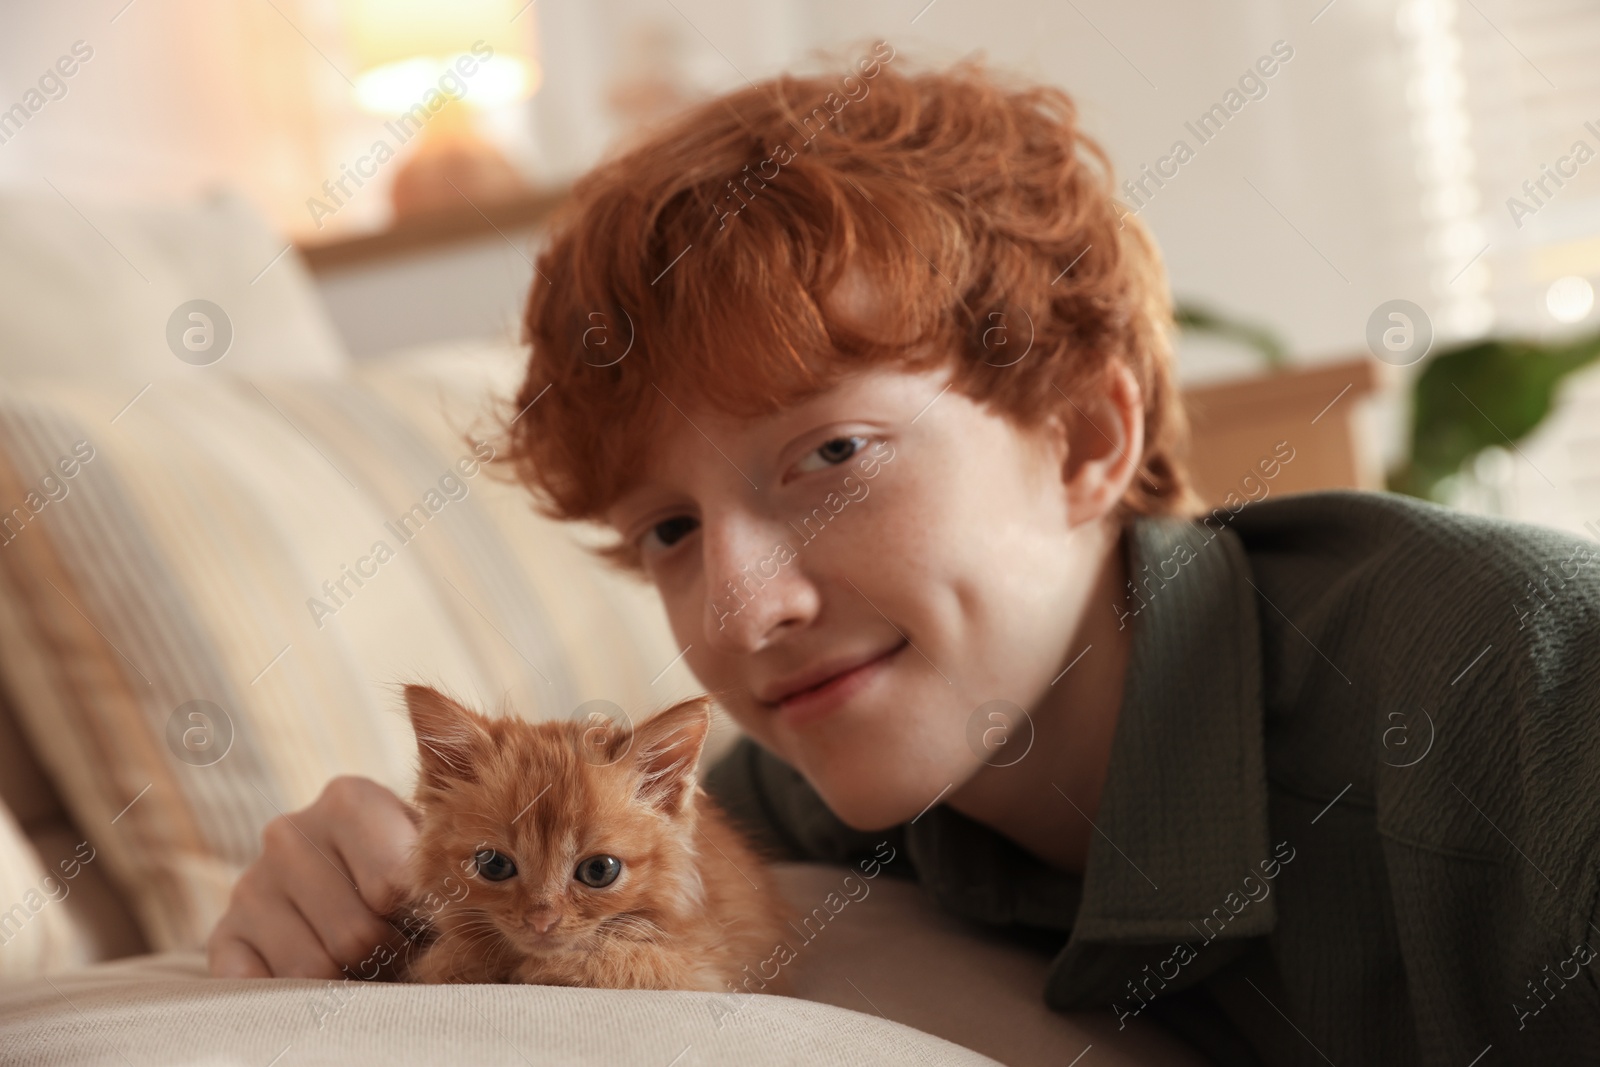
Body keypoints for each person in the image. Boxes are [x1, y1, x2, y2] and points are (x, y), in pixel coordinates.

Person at [207, 51, 1600, 1065]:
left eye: (832, 457)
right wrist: (362, 897)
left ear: (1082, 436)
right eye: (669, 531)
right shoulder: (804, 805)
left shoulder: (1529, 707)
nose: (747, 611)